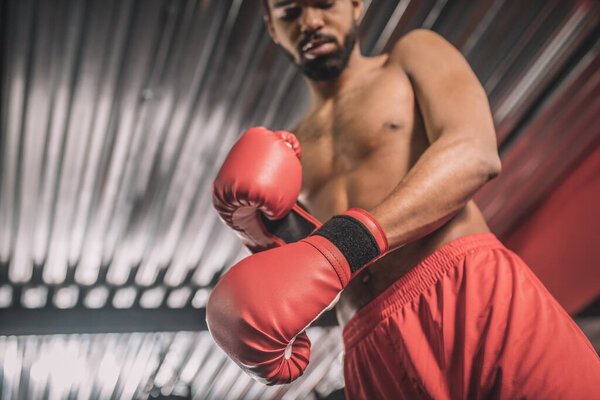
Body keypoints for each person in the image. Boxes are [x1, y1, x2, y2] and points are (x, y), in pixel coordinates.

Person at [207, 1, 600, 398]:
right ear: (272, 28)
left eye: (324, 3)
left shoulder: (409, 57)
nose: (310, 21)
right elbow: (317, 280)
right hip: (370, 346)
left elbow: (475, 152)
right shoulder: (288, 152)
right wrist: (258, 235)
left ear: (356, 5)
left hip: (468, 294)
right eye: (289, 12)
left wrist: (345, 244)